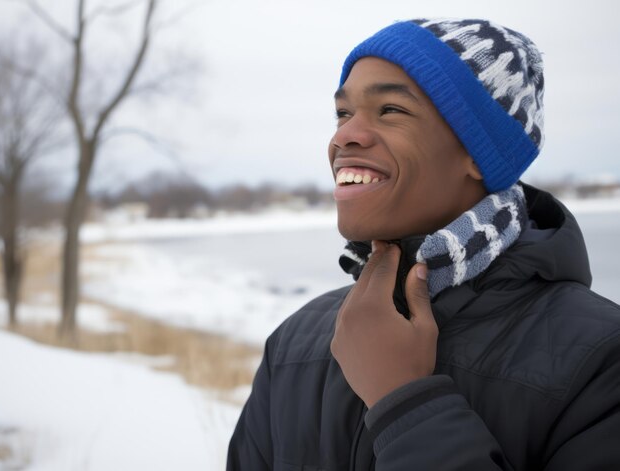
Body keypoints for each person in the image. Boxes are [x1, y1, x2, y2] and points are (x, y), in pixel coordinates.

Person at [227, 18, 620, 470]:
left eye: (390, 110)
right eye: (343, 113)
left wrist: (404, 402)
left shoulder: (600, 359)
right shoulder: (296, 342)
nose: (343, 136)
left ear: (479, 152)